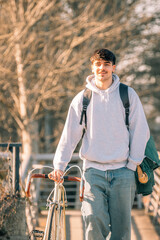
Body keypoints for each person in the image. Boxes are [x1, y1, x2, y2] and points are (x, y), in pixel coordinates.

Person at [49, 49, 150, 240]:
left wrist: (132, 164)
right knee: (92, 222)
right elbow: (69, 135)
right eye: (97, 64)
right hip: (93, 172)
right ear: (92, 67)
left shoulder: (127, 95)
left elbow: (140, 131)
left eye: (105, 64)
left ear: (113, 67)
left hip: (123, 172)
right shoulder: (83, 99)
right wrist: (59, 166)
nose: (101, 68)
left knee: (121, 232)